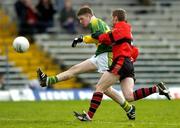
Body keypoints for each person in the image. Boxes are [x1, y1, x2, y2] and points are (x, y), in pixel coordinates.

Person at [37, 6, 135, 120]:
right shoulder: (97, 23)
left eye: (82, 19)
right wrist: (82, 39)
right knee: (75, 70)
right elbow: (99, 37)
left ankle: (128, 109)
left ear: (89, 16)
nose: (80, 21)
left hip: (106, 56)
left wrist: (82, 38)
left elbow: (99, 36)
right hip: (100, 55)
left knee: (104, 88)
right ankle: (48, 80)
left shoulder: (96, 22)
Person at [74, 8, 171, 121]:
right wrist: (129, 59)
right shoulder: (126, 30)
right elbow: (135, 50)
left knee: (100, 87)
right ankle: (157, 88)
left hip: (121, 62)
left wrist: (99, 36)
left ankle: (89, 116)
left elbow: (109, 37)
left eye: (112, 18)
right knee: (129, 96)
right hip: (127, 63)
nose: (112, 20)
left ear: (115, 18)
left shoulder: (122, 27)